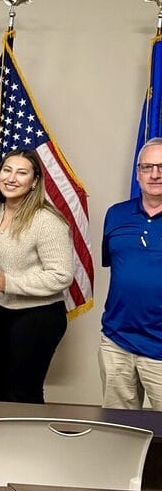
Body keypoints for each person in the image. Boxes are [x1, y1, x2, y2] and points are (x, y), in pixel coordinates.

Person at [0, 149, 75, 404]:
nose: (11, 178)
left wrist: (10, 283)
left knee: (22, 393)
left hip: (37, 317)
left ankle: (27, 432)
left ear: (34, 181)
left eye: (21, 173)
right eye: (7, 170)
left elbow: (62, 275)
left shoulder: (46, 220)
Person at [100, 138, 162, 409]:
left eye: (161, 167)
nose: (155, 174)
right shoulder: (116, 214)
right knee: (119, 427)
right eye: (147, 167)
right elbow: (118, 270)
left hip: (160, 348)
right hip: (117, 341)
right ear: (138, 174)